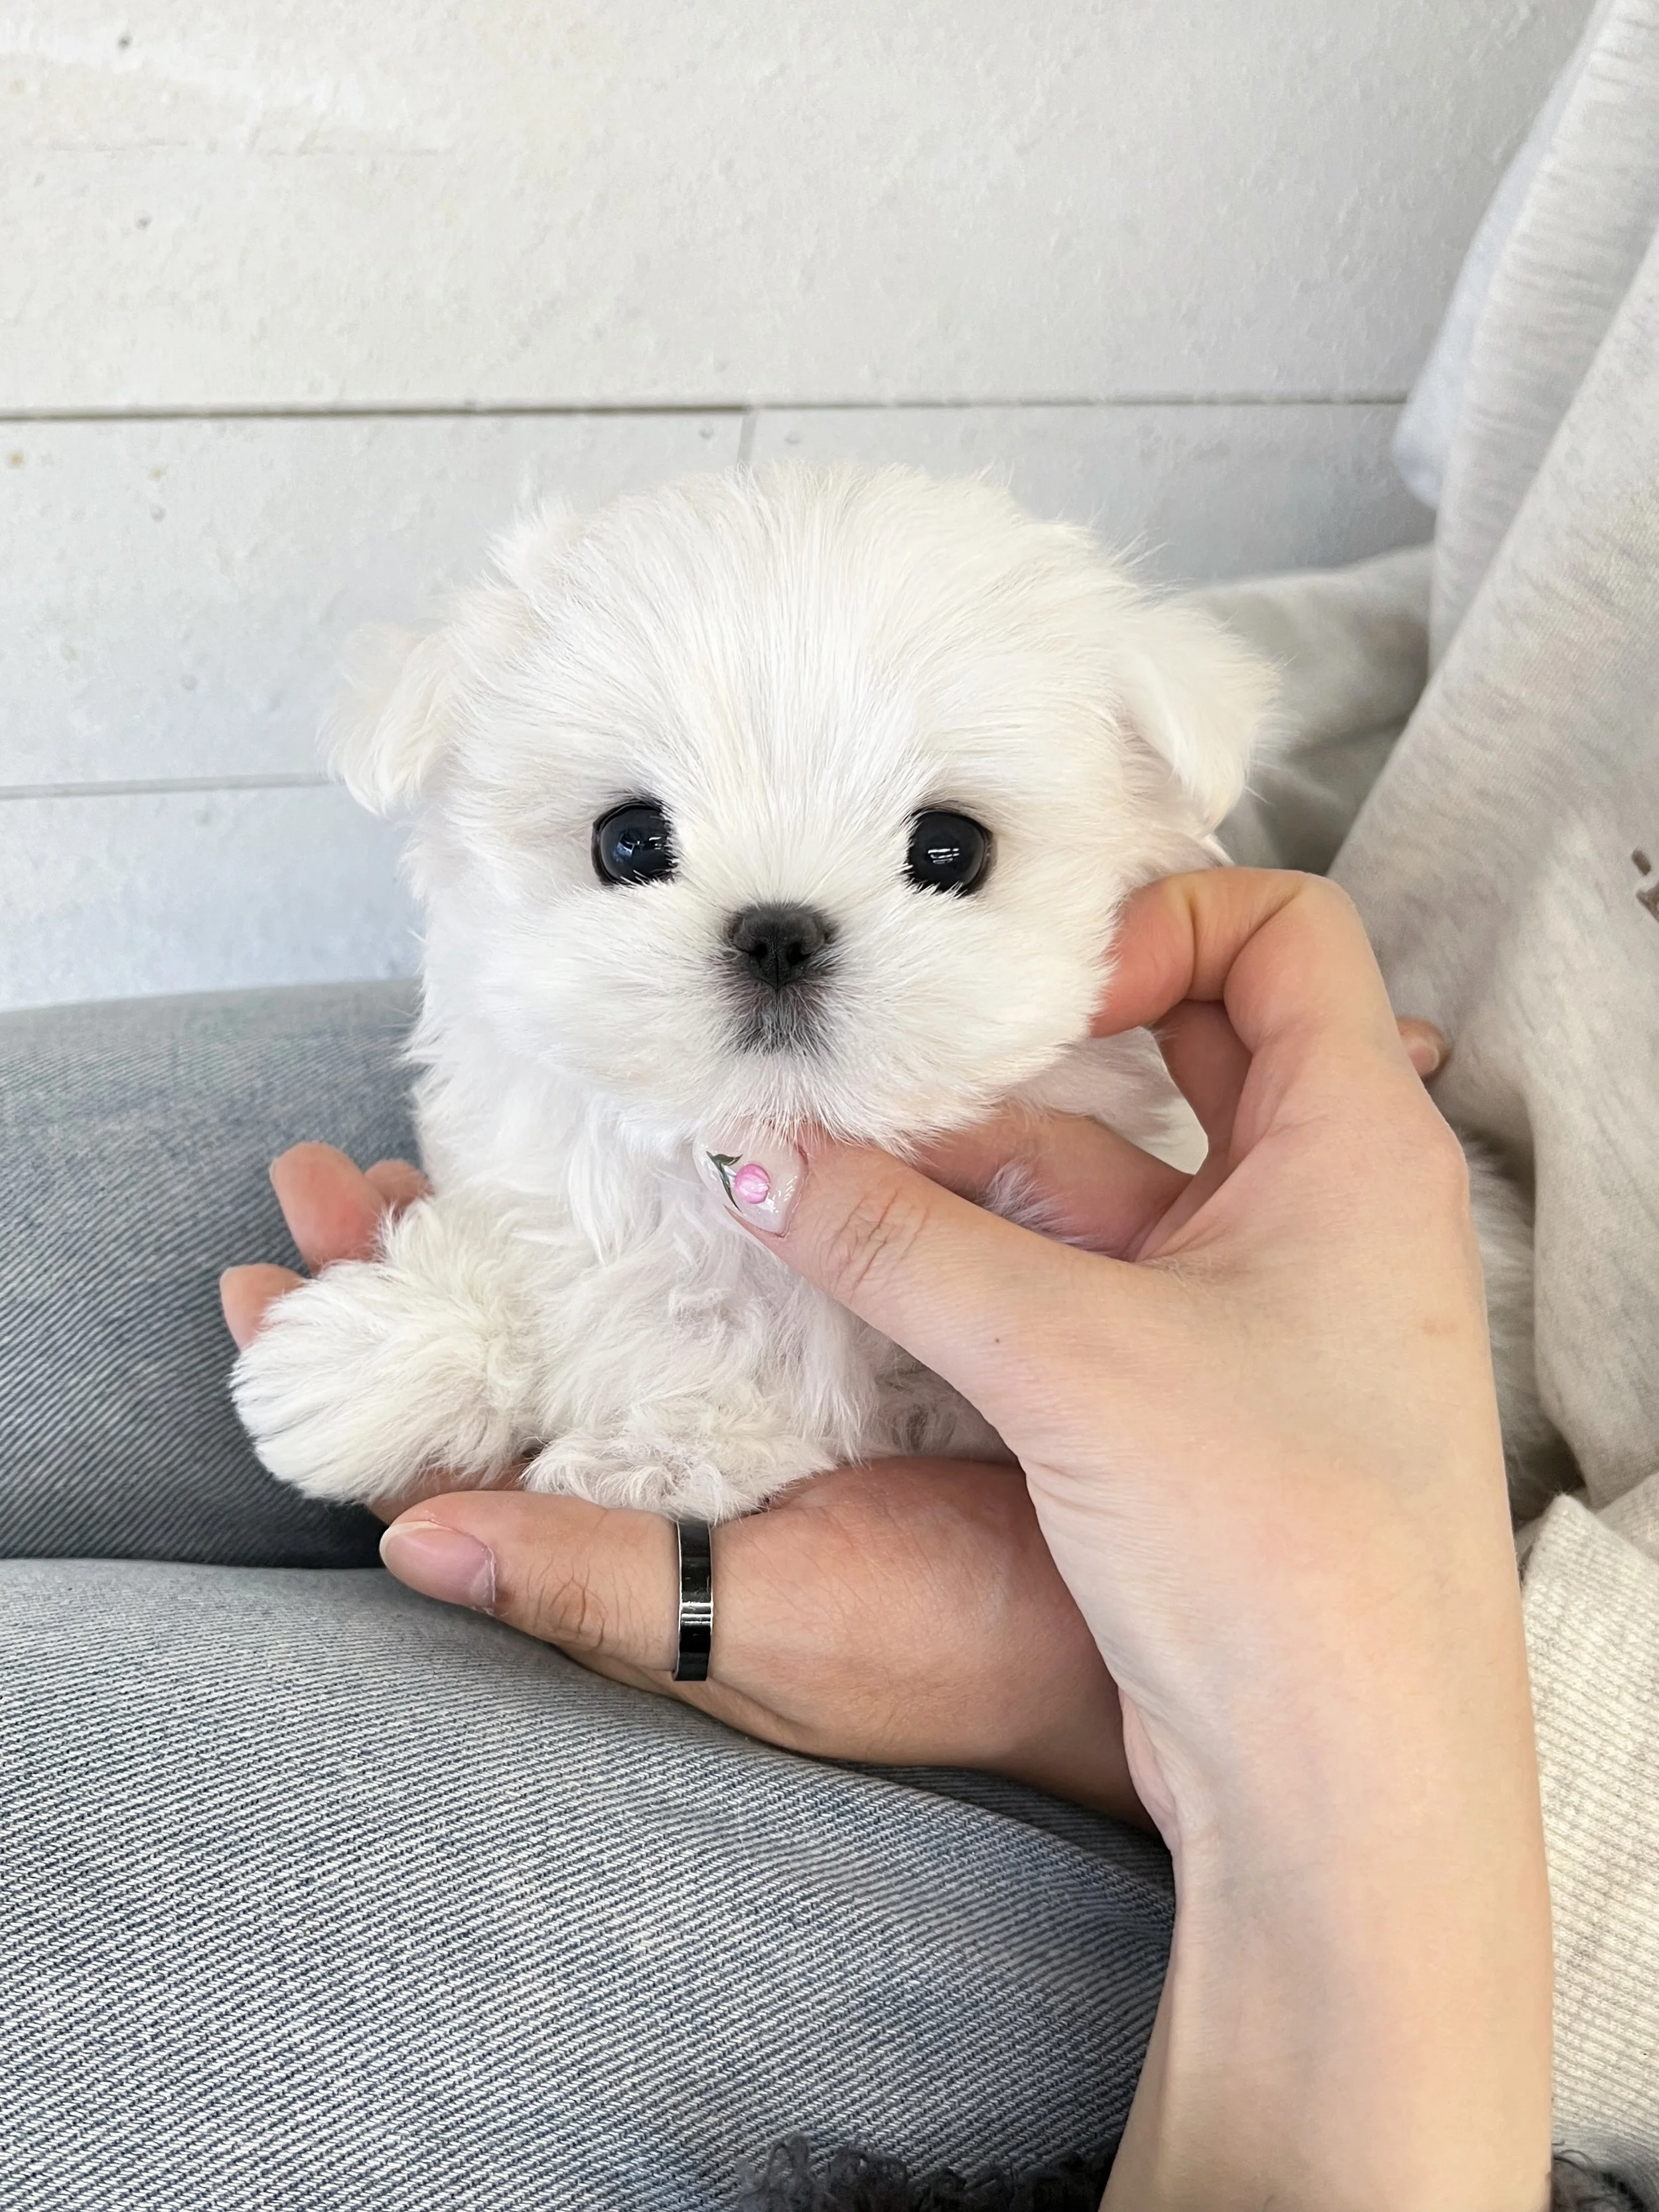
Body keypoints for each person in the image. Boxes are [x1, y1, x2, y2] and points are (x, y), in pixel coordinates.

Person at [3, 1, 1655, 2203]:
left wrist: (1152, 1666)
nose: (774, 929)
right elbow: (1498, 614)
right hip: (1350, 1017)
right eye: (634, 839)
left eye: (939, 854)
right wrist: (947, 656)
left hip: (1465, 1723)